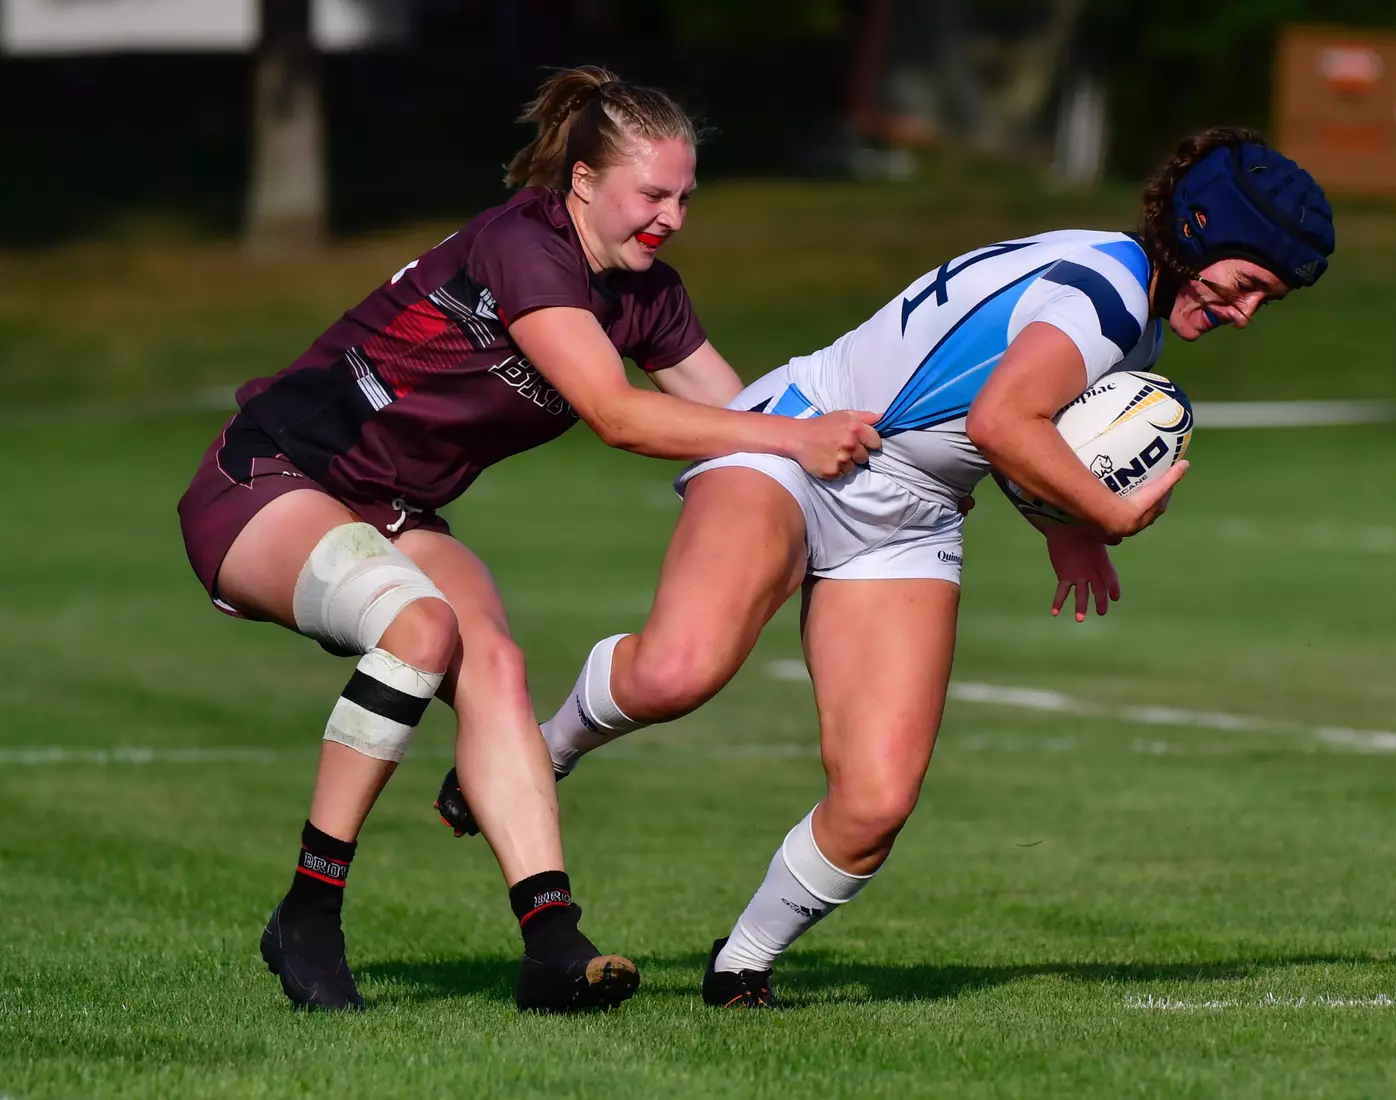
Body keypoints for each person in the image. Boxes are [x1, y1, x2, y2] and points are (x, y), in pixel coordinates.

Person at [435, 126, 1335, 1006]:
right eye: (1247, 284)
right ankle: (539, 750)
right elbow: (1000, 421)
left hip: (910, 518)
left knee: (875, 802)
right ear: (1198, 231)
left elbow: (992, 414)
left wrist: (1058, 526)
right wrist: (1106, 514)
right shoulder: (1104, 298)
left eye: (1268, 300)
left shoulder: (1128, 313)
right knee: (678, 672)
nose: (1245, 312)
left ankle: (741, 965)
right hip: (800, 444)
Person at [176, 66, 880, 1015]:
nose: (671, 217)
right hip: (269, 478)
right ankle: (308, 912)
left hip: (392, 511)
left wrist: (883, 454)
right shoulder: (526, 245)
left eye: (684, 198)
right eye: (652, 194)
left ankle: (550, 941)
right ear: (582, 181)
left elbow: (744, 413)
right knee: (422, 629)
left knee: (496, 665)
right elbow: (617, 415)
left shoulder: (645, 293)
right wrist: (794, 441)